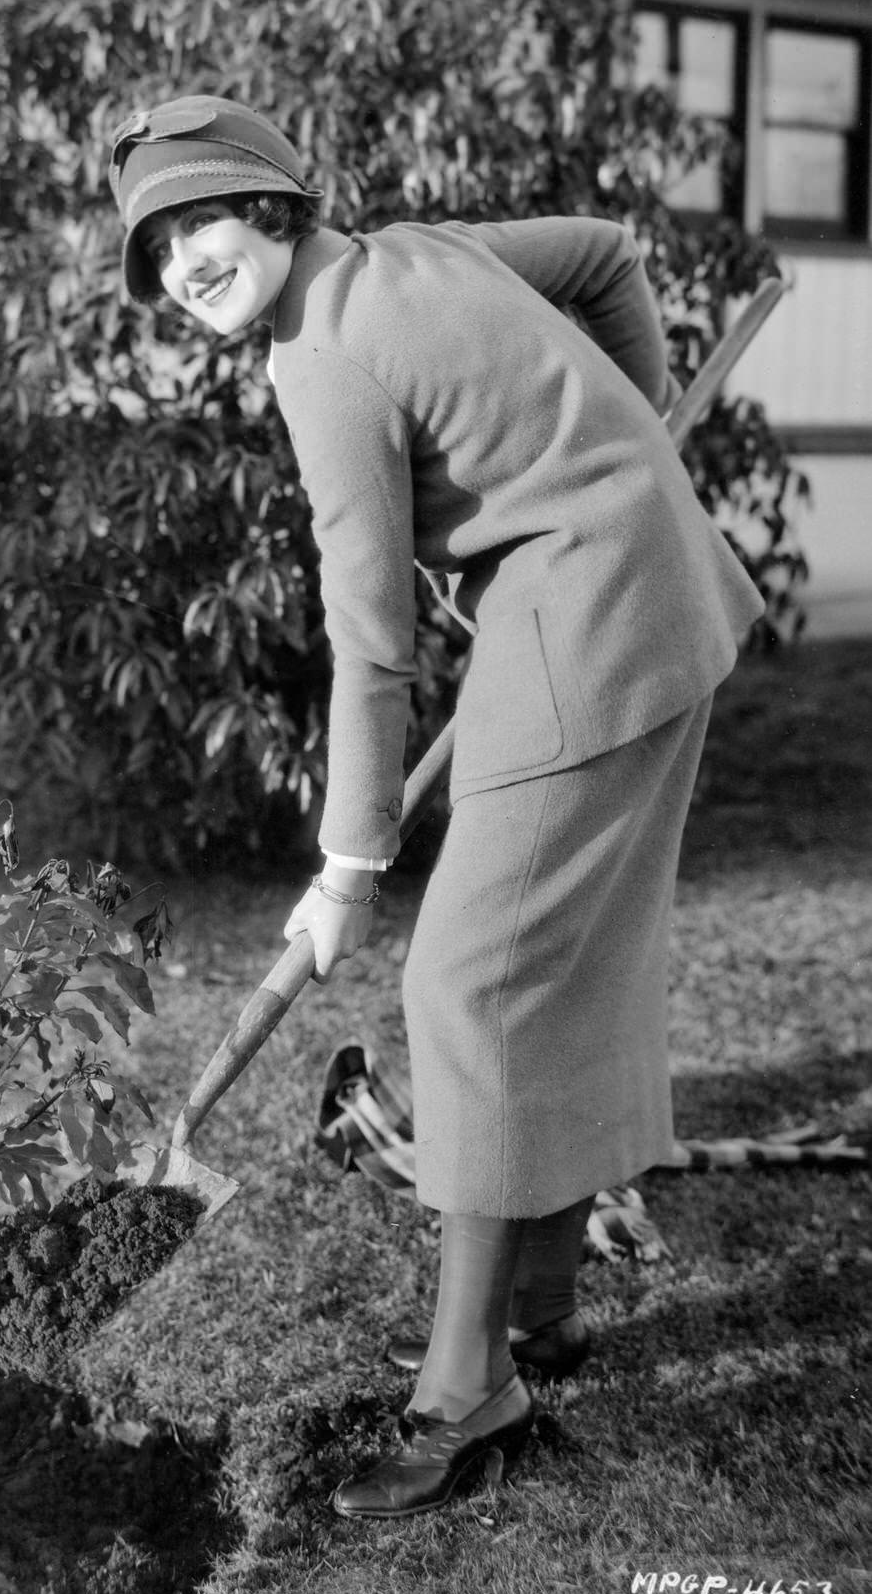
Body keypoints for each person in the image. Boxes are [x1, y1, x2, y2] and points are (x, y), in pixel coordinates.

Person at [108, 95, 764, 1521]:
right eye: (156, 253)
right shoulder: (417, 250)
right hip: (655, 596)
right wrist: (633, 446)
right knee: (565, 967)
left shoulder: (320, 360)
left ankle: (471, 1391)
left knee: (465, 983)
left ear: (270, 202)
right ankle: (536, 1300)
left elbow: (369, 639)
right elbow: (603, 256)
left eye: (200, 222)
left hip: (585, 631)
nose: (182, 269)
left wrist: (350, 863)